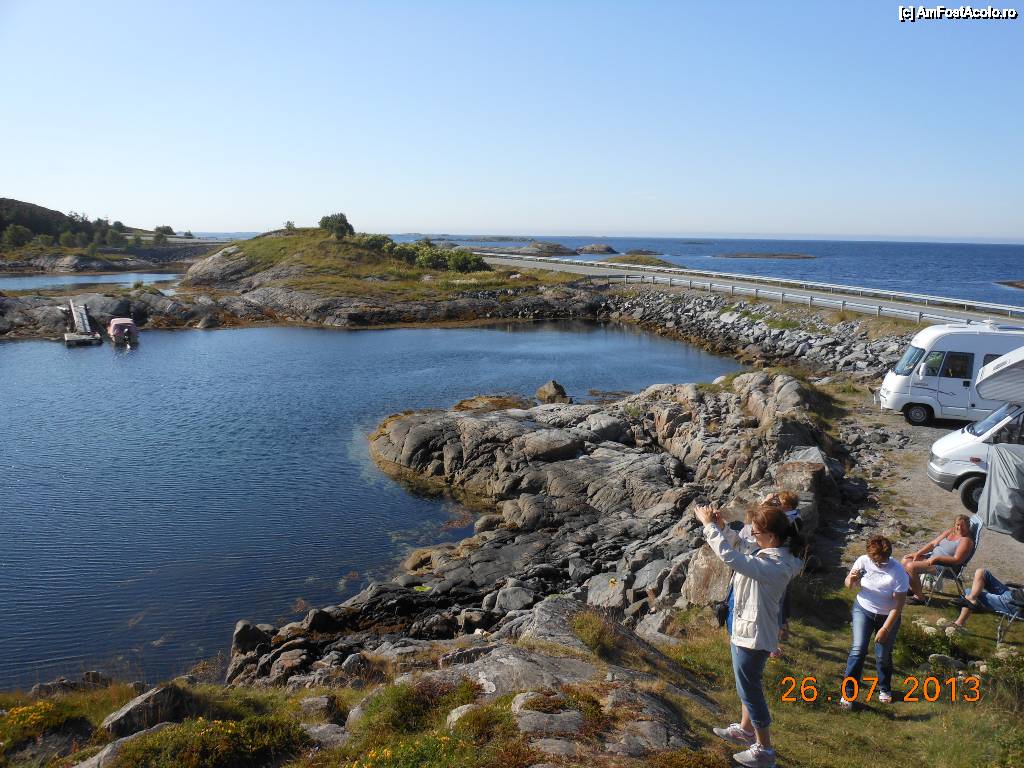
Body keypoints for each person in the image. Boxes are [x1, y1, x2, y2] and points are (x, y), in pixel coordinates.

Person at [699, 502, 804, 768]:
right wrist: (723, 527)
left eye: (756, 532)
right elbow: (742, 547)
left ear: (771, 536)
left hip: (753, 636)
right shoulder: (771, 554)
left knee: (749, 691)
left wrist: (709, 527)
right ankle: (746, 730)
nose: (752, 536)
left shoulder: (774, 565)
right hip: (750, 630)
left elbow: (731, 557)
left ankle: (765, 750)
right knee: (749, 685)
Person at [841, 535, 908, 708]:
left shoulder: (898, 572)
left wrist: (885, 629)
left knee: (883, 655)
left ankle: (884, 688)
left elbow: (898, 605)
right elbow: (849, 584)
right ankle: (848, 693)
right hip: (863, 609)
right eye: (875, 561)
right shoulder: (863, 561)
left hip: (888, 615)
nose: (878, 564)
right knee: (858, 650)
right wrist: (851, 580)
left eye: (882, 561)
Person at [900, 515, 974, 603]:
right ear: (954, 524)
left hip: (945, 566)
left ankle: (919, 597)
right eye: (958, 525)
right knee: (905, 560)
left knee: (911, 567)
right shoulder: (951, 531)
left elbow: (957, 560)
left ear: (968, 526)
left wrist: (937, 559)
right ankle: (913, 589)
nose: (960, 528)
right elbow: (933, 544)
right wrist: (918, 553)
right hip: (932, 558)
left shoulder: (966, 541)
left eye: (963, 526)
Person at [951, 567, 1024, 629]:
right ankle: (972, 601)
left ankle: (958, 625)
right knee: (982, 572)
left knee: (969, 592)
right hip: (1012, 594)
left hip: (1015, 604)